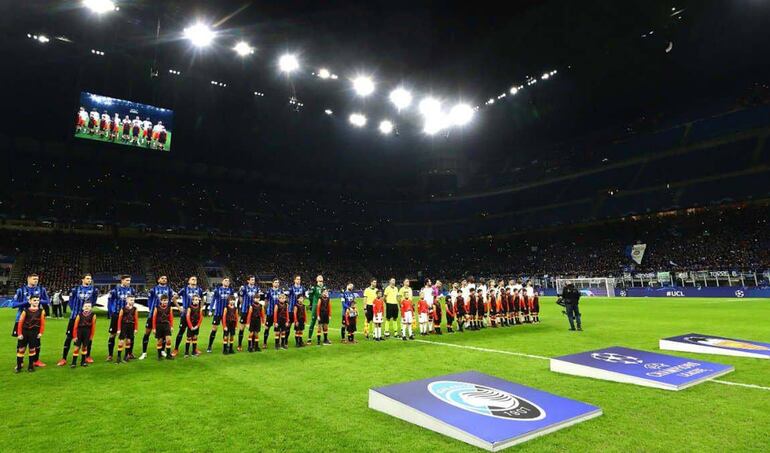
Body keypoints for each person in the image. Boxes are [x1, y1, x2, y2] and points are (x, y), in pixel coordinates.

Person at [58, 274, 99, 367]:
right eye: (87, 278)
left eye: (90, 279)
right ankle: (63, 358)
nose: (89, 280)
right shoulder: (75, 289)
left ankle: (87, 356)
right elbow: (71, 301)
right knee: (69, 337)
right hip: (74, 317)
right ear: (82, 279)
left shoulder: (94, 290)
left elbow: (93, 302)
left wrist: (88, 310)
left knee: (88, 337)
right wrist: (75, 311)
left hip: (88, 317)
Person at [12, 273, 50, 368]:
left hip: (36, 319)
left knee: (37, 341)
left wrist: (37, 301)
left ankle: (35, 360)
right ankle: (20, 362)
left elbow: (47, 302)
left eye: (37, 279)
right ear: (28, 279)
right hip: (22, 319)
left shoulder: (41, 289)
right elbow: (13, 304)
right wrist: (28, 302)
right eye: (34, 279)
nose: (36, 280)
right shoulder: (21, 290)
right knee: (21, 342)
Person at [140, 275, 175, 360]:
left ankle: (162, 351)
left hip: (163, 316)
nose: (164, 279)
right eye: (162, 278)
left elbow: (171, 299)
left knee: (163, 335)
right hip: (153, 315)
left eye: (165, 278)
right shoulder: (153, 289)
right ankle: (144, 353)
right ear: (158, 279)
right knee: (147, 333)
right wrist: (151, 310)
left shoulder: (169, 290)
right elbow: (149, 300)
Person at [107, 275, 135, 361]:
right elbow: (110, 302)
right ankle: (110, 355)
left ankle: (129, 353)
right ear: (122, 280)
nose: (128, 282)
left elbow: (133, 301)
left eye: (129, 280)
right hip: (117, 314)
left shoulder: (132, 290)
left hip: (128, 315)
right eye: (127, 280)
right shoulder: (114, 290)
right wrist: (112, 312)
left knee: (130, 335)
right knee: (113, 334)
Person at [15, 295, 45, 373]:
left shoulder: (41, 311)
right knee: (21, 349)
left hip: (34, 333)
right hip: (25, 332)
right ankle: (18, 367)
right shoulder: (25, 311)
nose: (36, 302)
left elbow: (42, 323)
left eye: (38, 300)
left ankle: (31, 366)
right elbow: (20, 323)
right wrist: (19, 333)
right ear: (30, 301)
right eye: (34, 300)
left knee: (32, 349)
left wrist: (41, 332)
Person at [174, 276, 203, 356]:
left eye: (196, 279)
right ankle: (176, 349)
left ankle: (194, 349)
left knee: (194, 333)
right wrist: (179, 308)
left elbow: (202, 298)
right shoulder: (184, 289)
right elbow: (174, 298)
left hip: (195, 315)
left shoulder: (199, 290)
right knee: (181, 331)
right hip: (185, 314)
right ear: (189, 281)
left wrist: (201, 307)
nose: (195, 280)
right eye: (193, 279)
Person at [207, 278, 234, 353]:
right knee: (214, 329)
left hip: (227, 313)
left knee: (226, 330)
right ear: (222, 282)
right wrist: (210, 310)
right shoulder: (217, 290)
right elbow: (213, 300)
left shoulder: (231, 290)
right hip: (218, 313)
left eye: (228, 281)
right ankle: (209, 346)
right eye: (225, 280)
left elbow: (232, 301)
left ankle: (226, 345)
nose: (227, 282)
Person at [237, 276, 260, 352]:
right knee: (242, 328)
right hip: (244, 310)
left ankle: (252, 345)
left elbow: (258, 298)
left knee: (253, 329)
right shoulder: (244, 288)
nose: (253, 281)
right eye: (252, 280)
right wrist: (243, 304)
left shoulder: (256, 288)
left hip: (254, 312)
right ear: (248, 281)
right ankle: (239, 345)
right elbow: (240, 297)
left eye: (254, 279)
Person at [70, 301, 96, 368]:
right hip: (79, 332)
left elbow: (93, 326)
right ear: (83, 307)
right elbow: (75, 326)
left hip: (87, 332)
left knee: (85, 347)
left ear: (91, 308)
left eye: (89, 306)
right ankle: (73, 362)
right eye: (85, 306)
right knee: (77, 347)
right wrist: (74, 336)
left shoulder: (93, 315)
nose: (87, 307)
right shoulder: (79, 315)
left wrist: (91, 335)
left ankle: (83, 362)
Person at [115, 295, 139, 364]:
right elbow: (119, 319)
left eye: (133, 300)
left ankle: (126, 356)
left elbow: (136, 319)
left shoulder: (135, 309)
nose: (132, 301)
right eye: (131, 300)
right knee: (121, 341)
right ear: (127, 300)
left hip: (131, 326)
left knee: (128, 341)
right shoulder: (123, 309)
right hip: (124, 325)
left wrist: (136, 328)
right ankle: (119, 357)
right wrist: (119, 329)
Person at [152, 295, 174, 360]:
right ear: (161, 301)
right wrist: (154, 328)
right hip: (159, 325)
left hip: (167, 325)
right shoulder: (157, 308)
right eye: (164, 300)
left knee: (168, 340)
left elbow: (171, 317)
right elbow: (154, 318)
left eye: (166, 300)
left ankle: (168, 355)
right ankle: (159, 356)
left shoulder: (170, 308)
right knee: (160, 341)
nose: (165, 302)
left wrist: (172, 326)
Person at [262, 279, 283, 350]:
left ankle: (277, 343)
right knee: (267, 328)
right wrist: (265, 311)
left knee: (278, 329)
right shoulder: (269, 291)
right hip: (270, 313)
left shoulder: (281, 291)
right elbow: (266, 301)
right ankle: (264, 342)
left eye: (278, 282)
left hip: (278, 313)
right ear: (272, 283)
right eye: (275, 282)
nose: (277, 284)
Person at [306, 275, 325, 344]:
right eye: (319, 278)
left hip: (323, 307)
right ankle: (309, 338)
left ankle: (323, 339)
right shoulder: (313, 287)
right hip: (316, 306)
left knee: (323, 322)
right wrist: (312, 304)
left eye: (321, 278)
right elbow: (310, 296)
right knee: (313, 322)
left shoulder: (324, 287)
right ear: (316, 279)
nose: (320, 278)